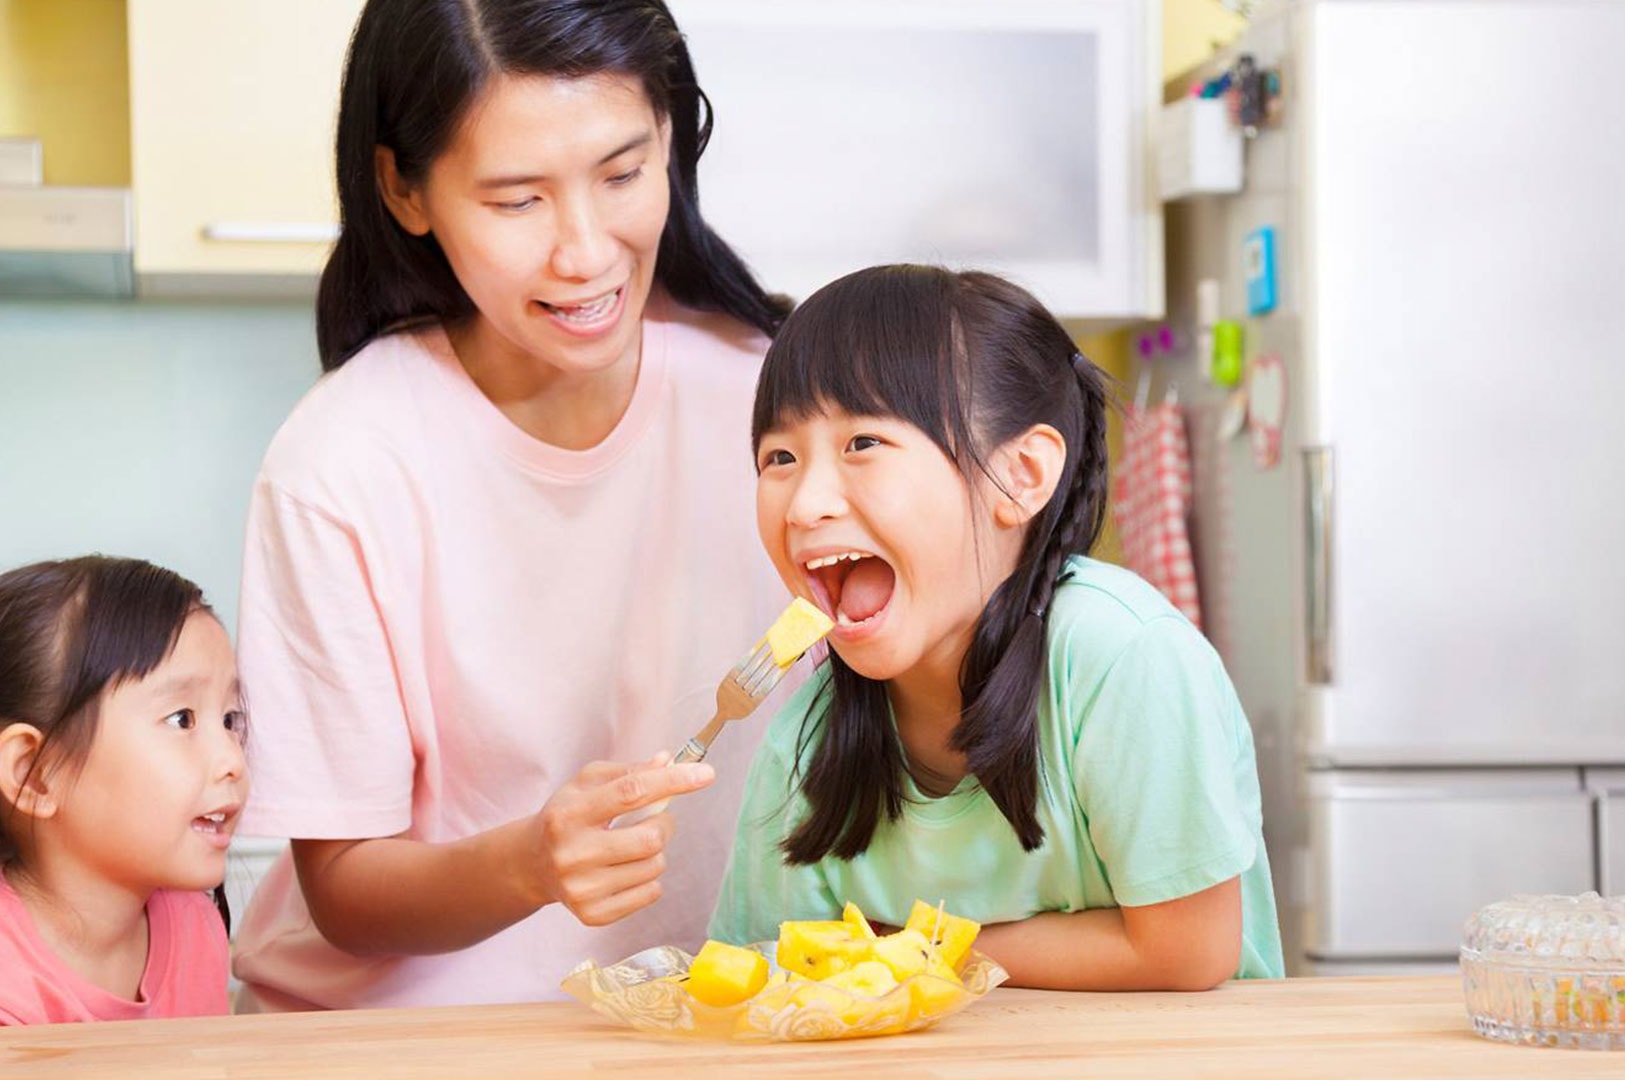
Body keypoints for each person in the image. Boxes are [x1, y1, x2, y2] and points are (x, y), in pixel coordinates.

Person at [230, 0, 793, 1010]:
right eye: (516, 200)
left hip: (695, 1020)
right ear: (404, 190)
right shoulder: (342, 463)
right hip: (405, 1040)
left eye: (622, 175)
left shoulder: (772, 410)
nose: (584, 251)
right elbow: (346, 890)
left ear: (669, 137)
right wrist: (530, 864)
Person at [710, 265, 1285, 989]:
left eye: (862, 444)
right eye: (779, 458)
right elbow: (774, 974)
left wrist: (907, 948)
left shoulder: (1122, 658)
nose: (804, 505)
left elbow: (1186, 950)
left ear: (1018, 475)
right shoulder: (805, 738)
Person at [0, 556, 247, 1024]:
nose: (233, 761)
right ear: (34, 773)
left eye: (231, 720)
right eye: (182, 719)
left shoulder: (194, 926)